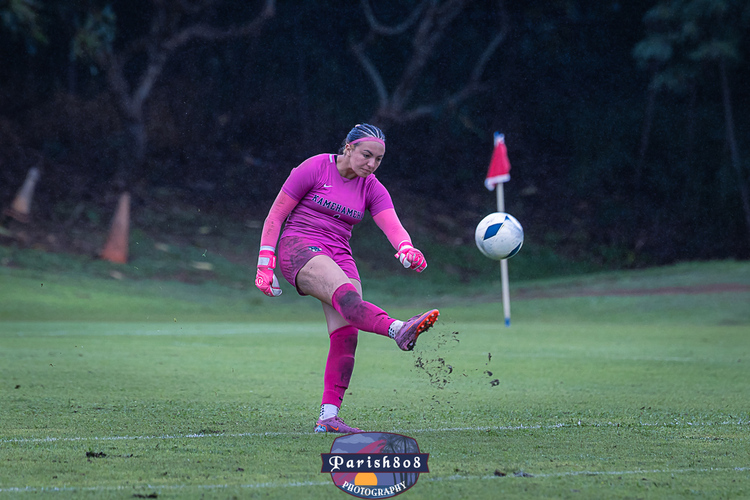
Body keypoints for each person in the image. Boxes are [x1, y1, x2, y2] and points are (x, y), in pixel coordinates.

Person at [255, 123, 439, 434]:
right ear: (349, 148)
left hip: (339, 253)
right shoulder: (315, 167)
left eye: (378, 159)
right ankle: (398, 329)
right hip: (300, 245)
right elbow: (276, 215)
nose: (372, 164)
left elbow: (392, 225)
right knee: (350, 301)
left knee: (348, 331)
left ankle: (328, 418)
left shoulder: (372, 187)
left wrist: (407, 248)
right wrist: (265, 264)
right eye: (367, 155)